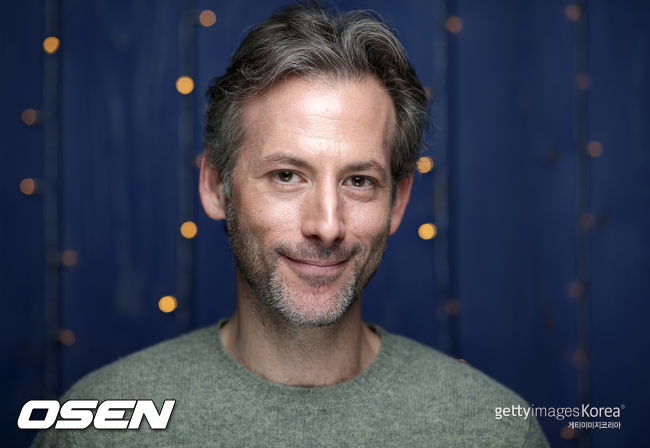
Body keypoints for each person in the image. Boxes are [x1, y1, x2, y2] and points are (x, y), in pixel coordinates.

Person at [33, 4, 549, 446]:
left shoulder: (491, 430)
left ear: (399, 201)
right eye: (286, 175)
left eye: (360, 181)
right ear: (216, 184)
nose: (327, 225)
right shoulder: (100, 426)